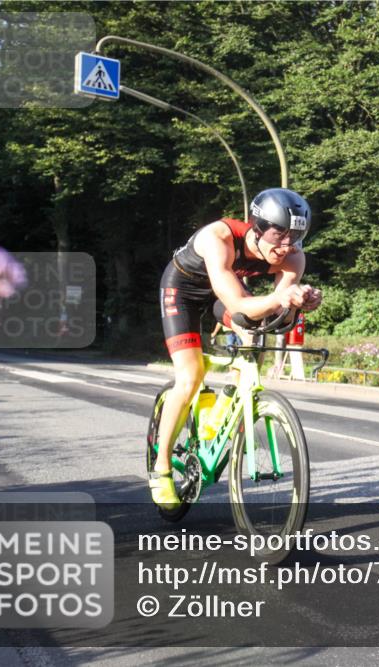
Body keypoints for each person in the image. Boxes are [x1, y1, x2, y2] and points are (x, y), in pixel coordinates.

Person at [151, 188, 323, 510]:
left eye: (296, 236)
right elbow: (238, 302)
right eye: (279, 235)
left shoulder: (293, 257)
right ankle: (160, 470)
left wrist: (299, 305)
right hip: (183, 290)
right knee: (191, 376)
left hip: (222, 294)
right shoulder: (219, 238)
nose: (286, 245)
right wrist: (281, 299)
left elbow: (274, 314)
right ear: (257, 227)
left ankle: (225, 407)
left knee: (252, 330)